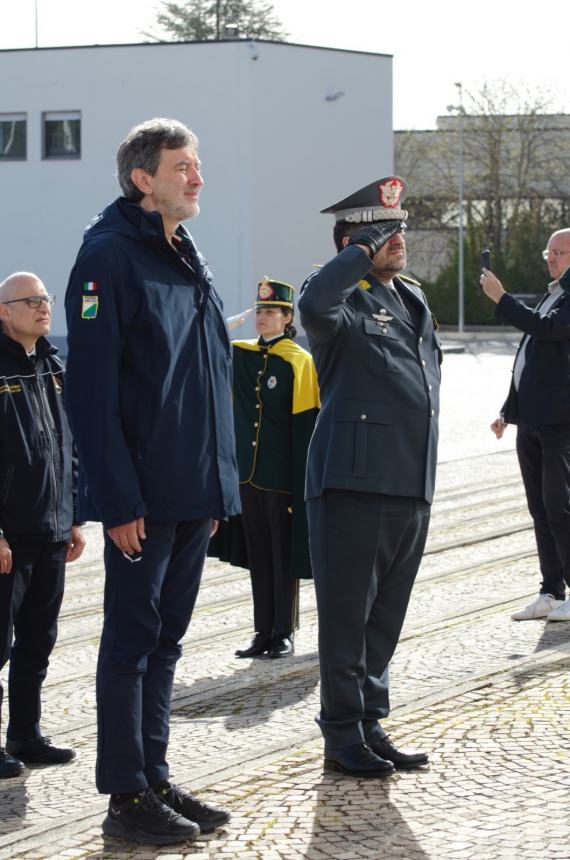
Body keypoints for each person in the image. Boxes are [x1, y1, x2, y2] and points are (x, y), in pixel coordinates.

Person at [64, 118, 240, 846]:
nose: (197, 177)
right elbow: (91, 393)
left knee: (166, 641)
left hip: (191, 494)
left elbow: (206, 375)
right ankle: (125, 795)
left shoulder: (182, 252)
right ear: (143, 177)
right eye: (182, 166)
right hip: (142, 499)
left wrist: (218, 489)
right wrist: (116, 501)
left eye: (197, 164)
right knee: (131, 644)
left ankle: (156, 775)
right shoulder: (108, 258)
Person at [298, 176, 442, 778]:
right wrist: (357, 253)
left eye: (399, 228)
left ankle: (369, 721)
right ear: (351, 241)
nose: (397, 239)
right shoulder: (335, 296)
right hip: (353, 484)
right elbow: (311, 306)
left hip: (410, 481)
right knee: (347, 618)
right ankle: (340, 733)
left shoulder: (411, 298)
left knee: (384, 617)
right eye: (383, 232)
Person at [0, 272, 85, 780]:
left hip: (50, 529)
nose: (42, 307)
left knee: (37, 640)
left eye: (45, 299)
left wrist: (70, 516)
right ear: (4, 312)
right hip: (8, 535)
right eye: (30, 301)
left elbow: (66, 448)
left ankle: (25, 734)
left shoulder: (54, 365)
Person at [211, 278, 319, 659]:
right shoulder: (242, 354)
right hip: (248, 478)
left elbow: (304, 428)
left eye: (271, 311)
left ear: (288, 318)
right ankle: (262, 631)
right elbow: (205, 338)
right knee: (259, 555)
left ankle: (284, 632)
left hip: (280, 478)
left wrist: (298, 483)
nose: (262, 317)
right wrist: (233, 321)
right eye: (258, 311)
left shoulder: (298, 361)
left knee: (281, 555)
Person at [482, 229, 570, 623]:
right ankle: (551, 590)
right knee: (540, 508)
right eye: (547, 251)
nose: (550, 258)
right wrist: (508, 407)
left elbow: (546, 329)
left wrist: (501, 298)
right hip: (533, 420)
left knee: (560, 507)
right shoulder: (554, 293)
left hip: (561, 422)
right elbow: (533, 360)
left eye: (558, 252)